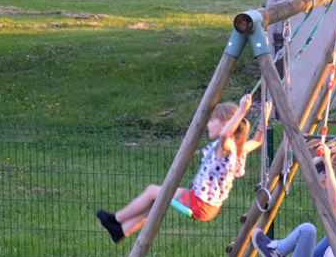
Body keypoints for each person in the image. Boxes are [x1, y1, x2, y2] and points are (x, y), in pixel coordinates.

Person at [96, 94, 268, 243]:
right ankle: (121, 231)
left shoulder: (227, 146)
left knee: (151, 191)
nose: (208, 124)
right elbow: (258, 140)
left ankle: (116, 219)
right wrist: (264, 117)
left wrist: (242, 110)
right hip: (205, 203)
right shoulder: (240, 149)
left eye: (212, 120)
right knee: (156, 199)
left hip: (200, 202)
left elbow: (224, 134)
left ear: (225, 124)